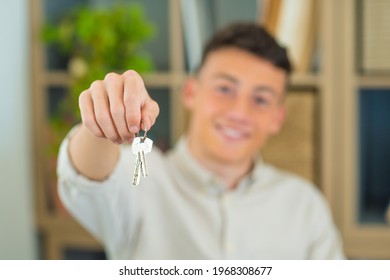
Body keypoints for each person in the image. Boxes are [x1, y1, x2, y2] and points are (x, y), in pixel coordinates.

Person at [57, 22, 345, 259]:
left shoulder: (305, 205)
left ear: (277, 118)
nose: (238, 112)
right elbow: (86, 177)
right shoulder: (141, 180)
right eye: (225, 88)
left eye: (260, 99)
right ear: (191, 92)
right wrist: (100, 124)